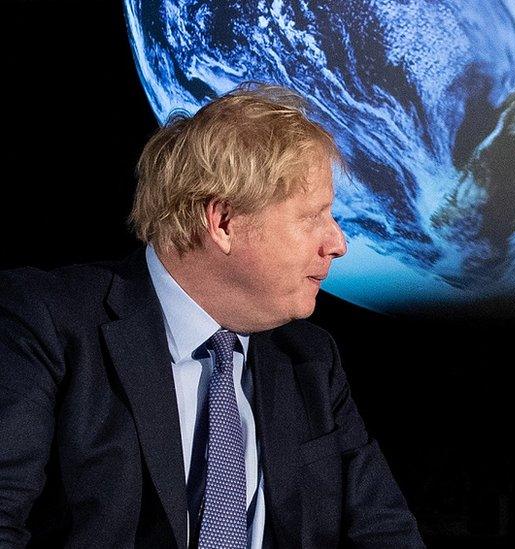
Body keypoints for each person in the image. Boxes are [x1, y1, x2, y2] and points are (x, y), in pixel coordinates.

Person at [0, 84, 425, 548]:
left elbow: (384, 532)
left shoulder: (312, 360)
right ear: (222, 222)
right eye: (312, 217)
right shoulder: (43, 322)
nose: (338, 244)